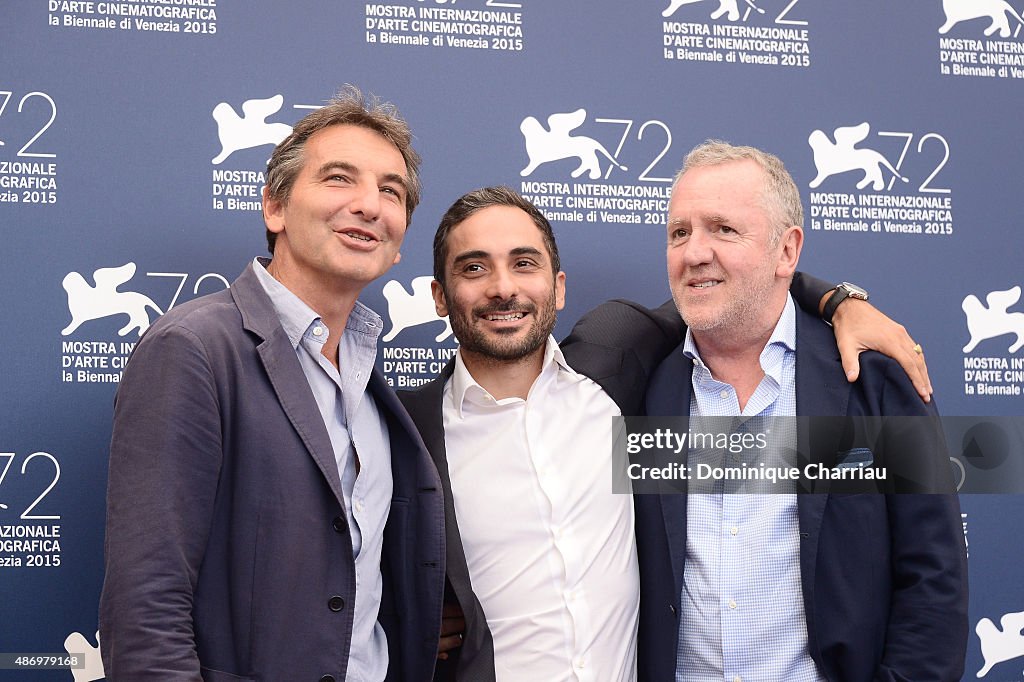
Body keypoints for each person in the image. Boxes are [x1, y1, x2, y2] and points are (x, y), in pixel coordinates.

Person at [399, 186, 937, 681]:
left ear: (558, 288)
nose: (503, 288)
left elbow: (728, 285)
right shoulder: (408, 432)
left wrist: (840, 300)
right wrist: (413, 620)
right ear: (440, 296)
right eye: (473, 268)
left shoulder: (611, 363)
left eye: (524, 264)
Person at [99, 87, 445, 681]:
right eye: (339, 178)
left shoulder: (373, 387)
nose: (369, 204)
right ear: (274, 208)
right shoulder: (193, 350)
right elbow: (145, 610)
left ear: (399, 242)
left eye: (391, 191)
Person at [635, 141, 968, 681]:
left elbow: (933, 579)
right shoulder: (639, 380)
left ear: (787, 251)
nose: (694, 252)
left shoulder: (874, 379)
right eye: (679, 232)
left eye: (723, 229)